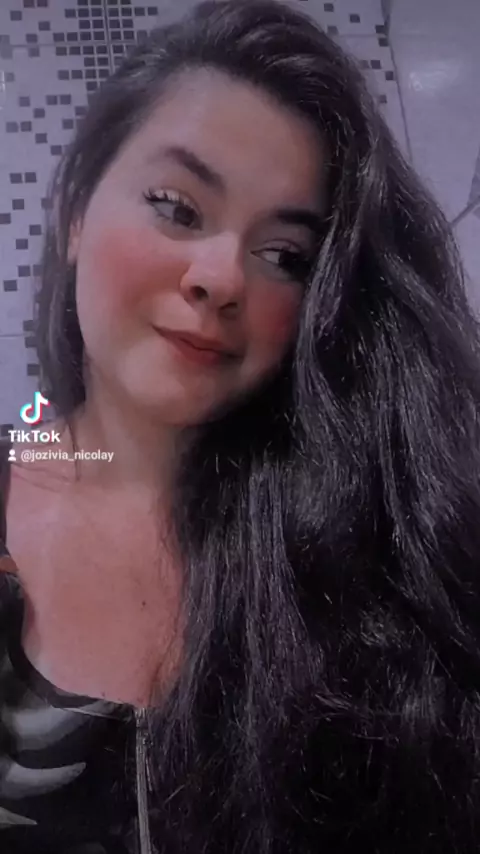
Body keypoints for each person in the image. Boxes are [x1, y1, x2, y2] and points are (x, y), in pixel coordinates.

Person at [1, 0, 480, 851]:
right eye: (177, 207)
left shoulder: (372, 550)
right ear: (76, 211)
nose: (222, 278)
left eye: (284, 256)